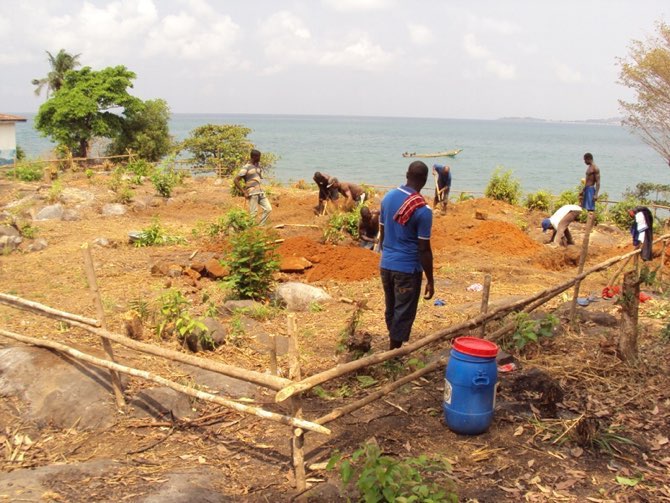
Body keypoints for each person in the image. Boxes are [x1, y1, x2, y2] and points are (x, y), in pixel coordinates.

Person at [379, 161, 434, 350]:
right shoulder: (423, 210)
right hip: (407, 269)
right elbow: (424, 249)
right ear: (425, 180)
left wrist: (388, 254)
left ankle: (393, 344)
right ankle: (393, 352)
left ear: (406, 174)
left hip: (386, 264)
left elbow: (383, 233)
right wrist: (431, 279)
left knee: (391, 306)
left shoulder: (387, 198)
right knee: (403, 311)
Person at [234, 149, 272, 225]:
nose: (260, 159)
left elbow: (259, 178)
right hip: (252, 192)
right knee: (253, 213)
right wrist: (244, 191)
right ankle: (252, 230)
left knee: (268, 209)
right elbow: (236, 180)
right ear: (254, 157)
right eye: (259, 157)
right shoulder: (246, 167)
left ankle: (261, 226)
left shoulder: (258, 167)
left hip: (261, 192)